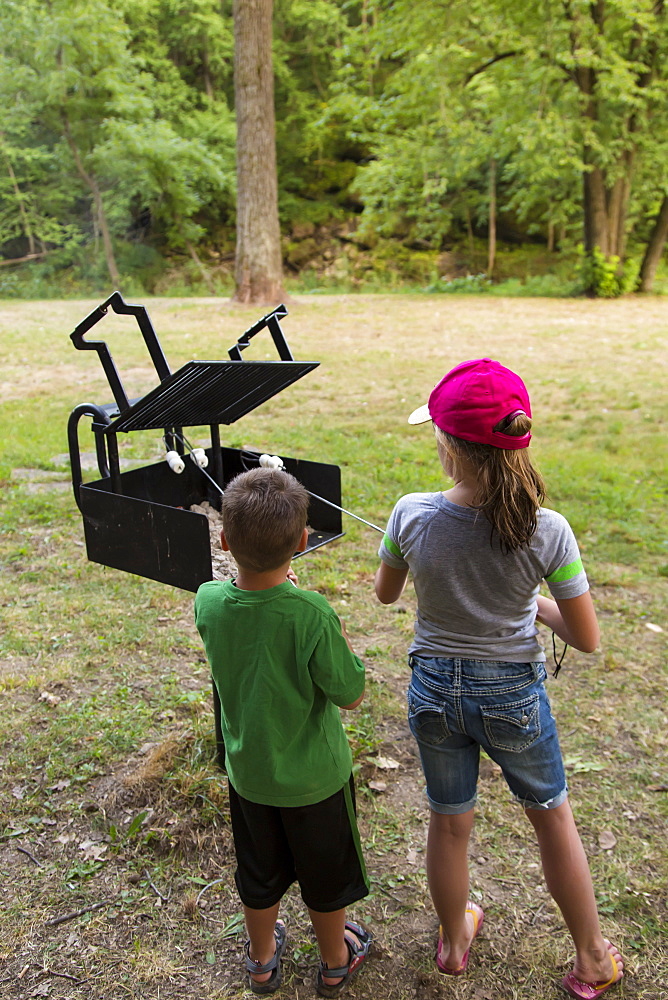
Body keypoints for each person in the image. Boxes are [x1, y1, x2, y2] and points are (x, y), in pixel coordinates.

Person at [374, 359, 623, 999]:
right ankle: (592, 958)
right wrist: (531, 603)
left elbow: (385, 594)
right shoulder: (550, 530)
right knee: (552, 819)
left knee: (449, 821)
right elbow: (586, 637)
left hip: (433, 690)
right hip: (511, 693)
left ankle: (454, 942)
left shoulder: (410, 513)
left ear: (452, 445)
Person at [194, 467, 372, 997]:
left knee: (259, 870)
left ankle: (263, 960)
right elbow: (350, 693)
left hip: (249, 775)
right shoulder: (311, 613)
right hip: (315, 782)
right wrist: (332, 627)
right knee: (325, 874)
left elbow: (247, 613)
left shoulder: (207, 600)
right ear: (302, 540)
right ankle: (335, 960)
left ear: (224, 540)